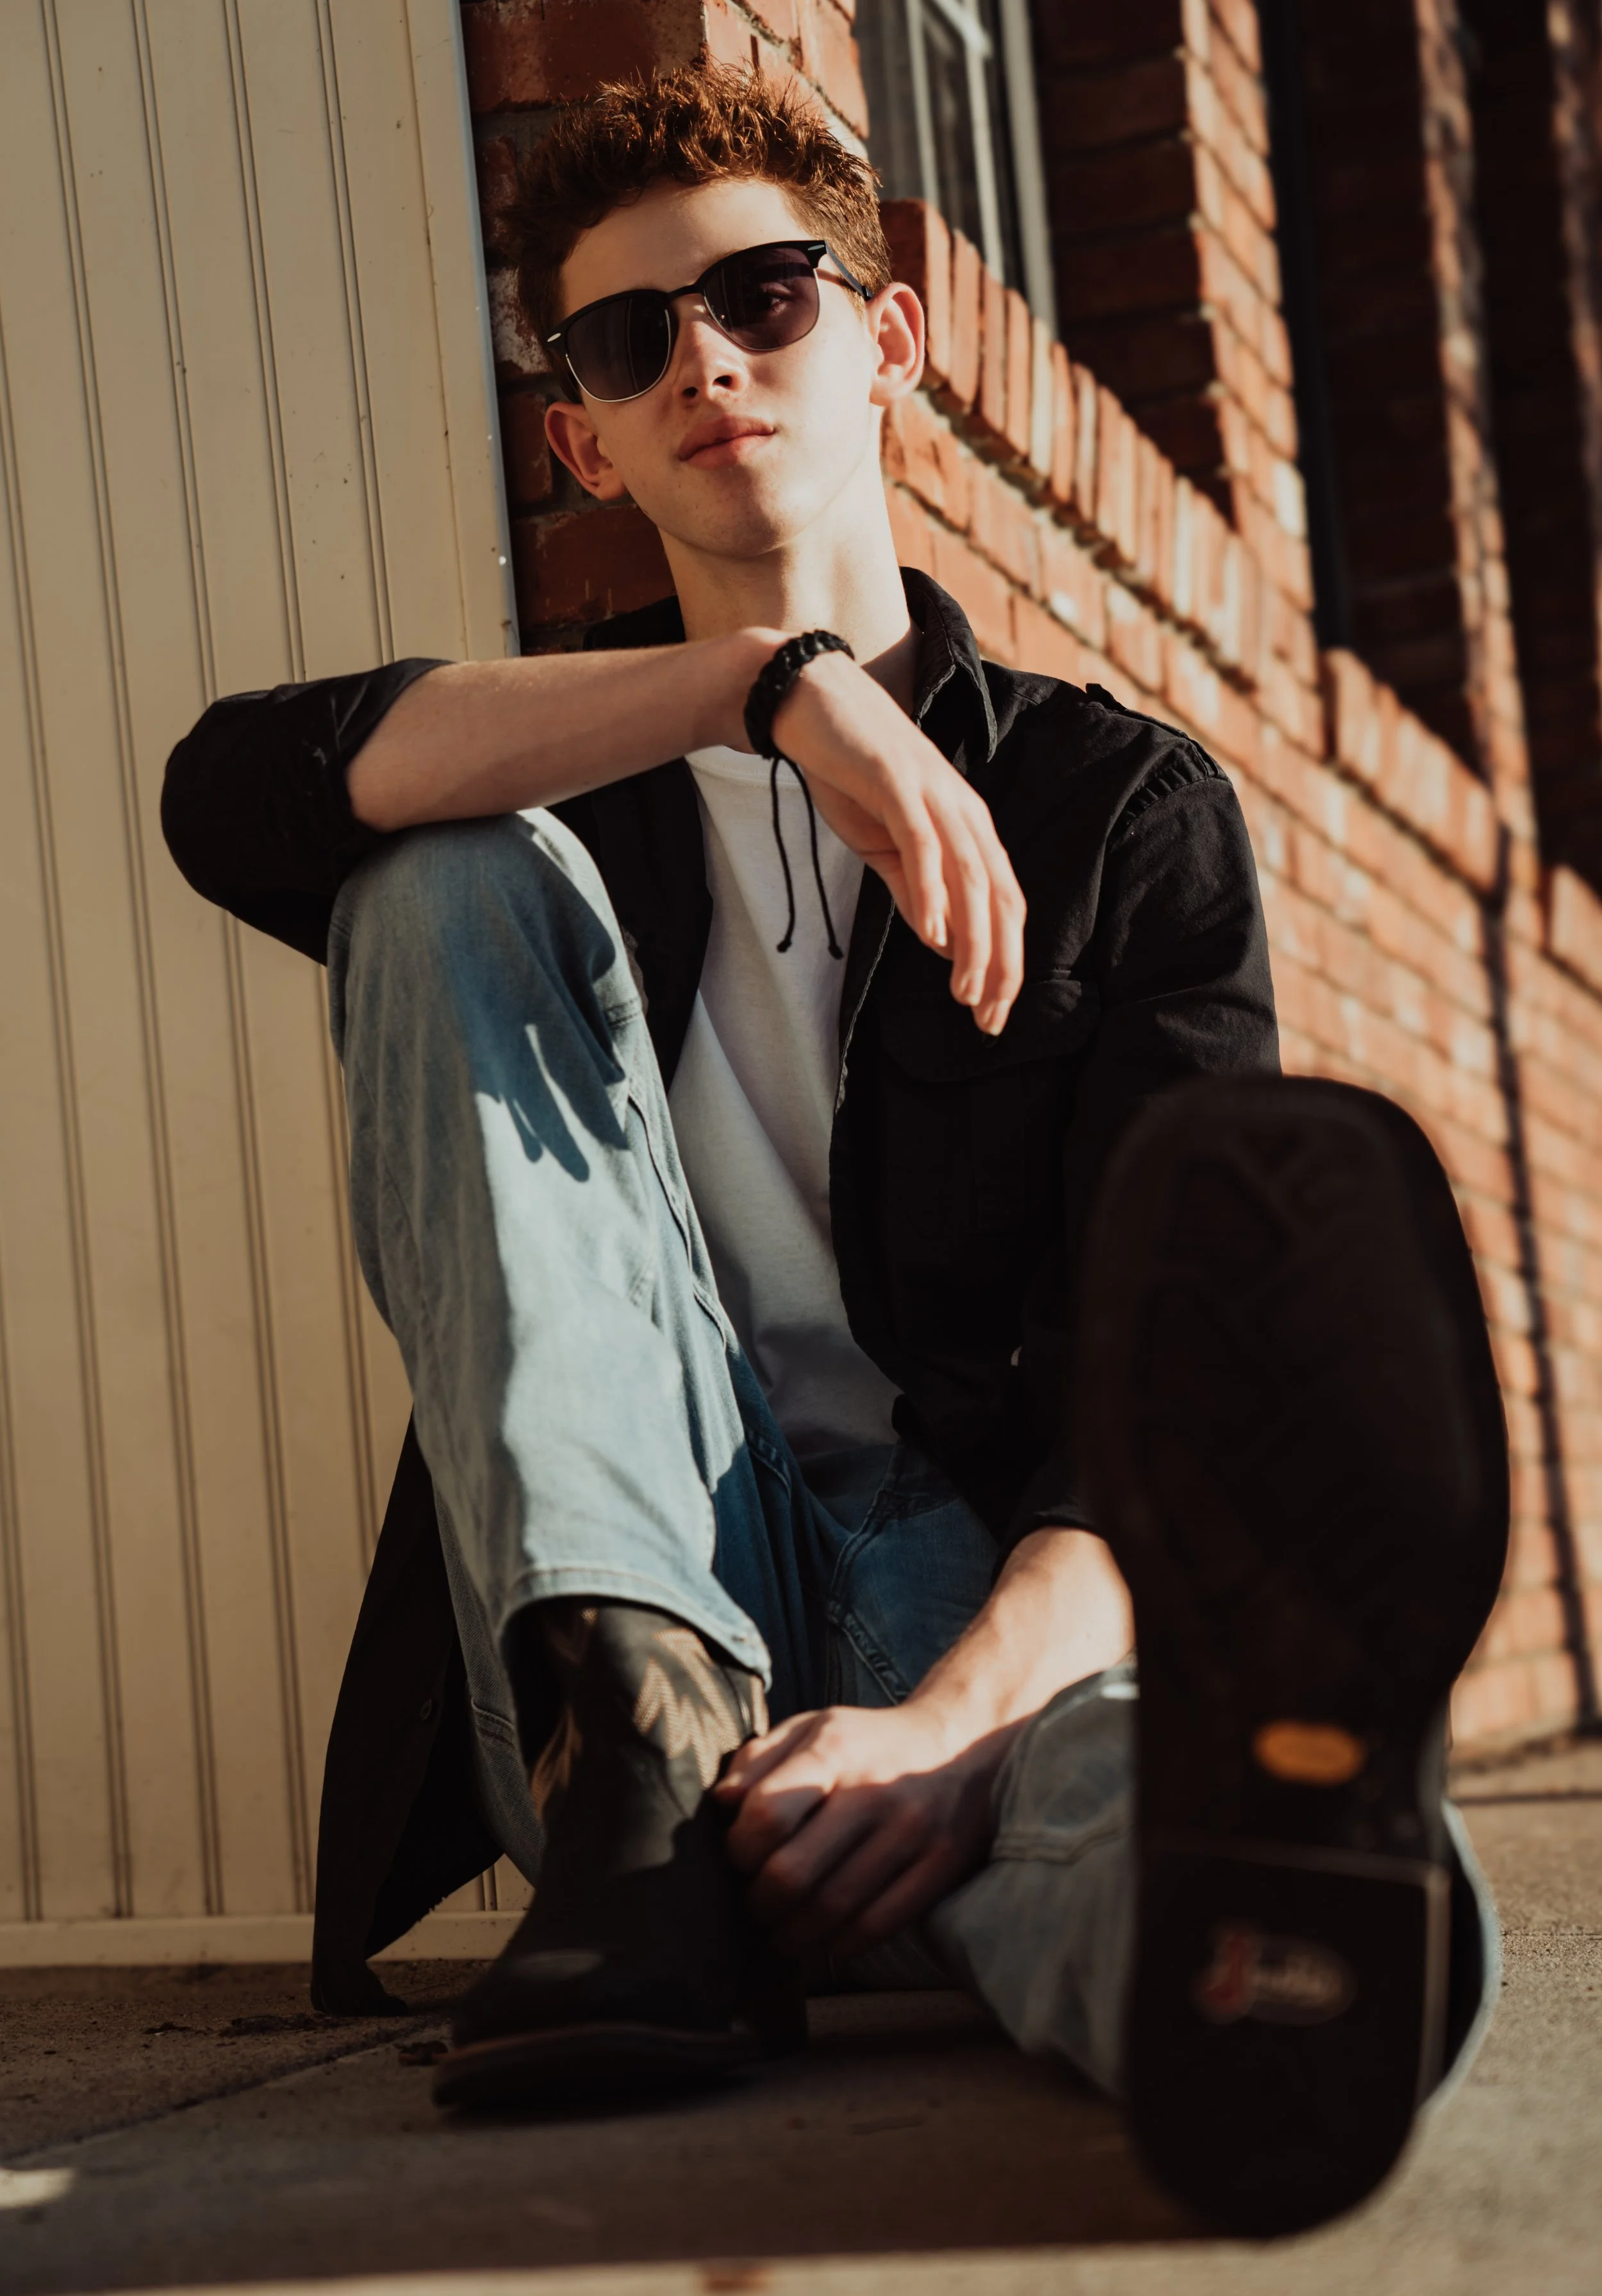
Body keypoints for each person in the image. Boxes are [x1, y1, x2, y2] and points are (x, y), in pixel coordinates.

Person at [162, 65, 1508, 2235]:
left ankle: (1265, 1937)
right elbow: (233, 788)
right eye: (626, 341)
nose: (702, 356)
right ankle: (681, 1784)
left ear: (884, 345)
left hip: (968, 1586)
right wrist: (757, 685)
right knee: (425, 872)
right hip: (617, 1631)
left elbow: (1120, 1418)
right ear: (579, 438)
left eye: (766, 295)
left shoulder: (1116, 816)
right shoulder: (554, 783)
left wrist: (951, 1723)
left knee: (1066, 1786)